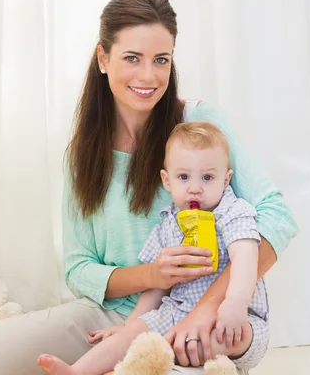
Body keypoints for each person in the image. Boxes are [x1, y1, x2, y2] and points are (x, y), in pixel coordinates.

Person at [0, 0, 298, 375]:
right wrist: (153, 275)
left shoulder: (199, 124)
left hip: (196, 322)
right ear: (103, 58)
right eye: (132, 58)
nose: (148, 76)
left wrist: (208, 309)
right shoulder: (82, 154)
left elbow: (276, 218)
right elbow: (78, 268)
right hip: (113, 319)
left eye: (161, 60)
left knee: (163, 363)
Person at [37, 121, 268, 375]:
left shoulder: (233, 213)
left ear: (226, 180)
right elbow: (157, 286)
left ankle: (153, 359)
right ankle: (76, 371)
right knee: (135, 335)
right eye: (183, 177)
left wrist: (234, 303)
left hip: (236, 317)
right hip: (175, 313)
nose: (195, 187)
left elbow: (246, 258)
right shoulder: (167, 224)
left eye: (207, 177)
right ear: (166, 181)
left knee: (226, 338)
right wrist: (130, 326)